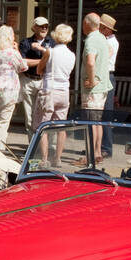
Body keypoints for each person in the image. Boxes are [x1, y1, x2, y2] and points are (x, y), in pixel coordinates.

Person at [34, 23, 76, 165]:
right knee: (61, 127)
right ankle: (57, 158)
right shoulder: (72, 55)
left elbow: (39, 69)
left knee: (43, 126)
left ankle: (44, 159)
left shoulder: (49, 51)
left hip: (49, 90)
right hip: (64, 91)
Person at [81, 13, 110, 164]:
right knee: (97, 121)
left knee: (90, 122)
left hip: (93, 89)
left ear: (86, 23)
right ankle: (97, 152)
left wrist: (91, 80)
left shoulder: (91, 39)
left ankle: (90, 156)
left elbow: (90, 62)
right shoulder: (102, 38)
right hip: (103, 86)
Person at [18, 16, 51, 135]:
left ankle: (43, 146)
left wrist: (43, 51)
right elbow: (22, 62)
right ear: (34, 28)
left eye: (46, 26)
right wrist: (43, 61)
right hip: (29, 80)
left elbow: (55, 60)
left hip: (45, 81)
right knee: (30, 116)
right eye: (41, 26)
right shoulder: (25, 42)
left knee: (44, 115)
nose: (44, 28)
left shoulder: (52, 42)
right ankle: (32, 147)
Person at [99, 14, 119, 156]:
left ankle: (106, 147)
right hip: (105, 75)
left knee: (106, 112)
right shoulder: (106, 40)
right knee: (99, 113)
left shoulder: (110, 42)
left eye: (101, 27)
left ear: (106, 29)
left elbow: (104, 59)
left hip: (107, 75)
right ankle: (98, 145)